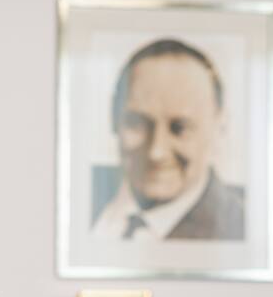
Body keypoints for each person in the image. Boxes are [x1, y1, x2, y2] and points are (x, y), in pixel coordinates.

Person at [91, 39, 244, 240]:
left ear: (220, 129)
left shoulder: (241, 225)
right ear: (113, 118)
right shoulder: (77, 197)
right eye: (138, 123)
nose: (156, 152)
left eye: (180, 128)